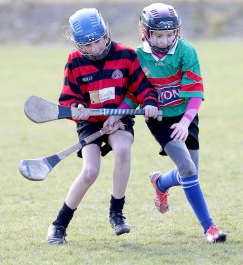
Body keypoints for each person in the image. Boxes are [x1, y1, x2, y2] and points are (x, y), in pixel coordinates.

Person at [46, 8, 159, 245]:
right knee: (90, 171)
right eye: (88, 45)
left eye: (98, 41)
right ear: (78, 44)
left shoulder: (126, 56)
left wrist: (149, 103)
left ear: (106, 34)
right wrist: (77, 107)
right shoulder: (74, 61)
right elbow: (67, 98)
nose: (95, 48)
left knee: (123, 150)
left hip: (119, 117)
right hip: (90, 122)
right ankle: (58, 226)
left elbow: (143, 88)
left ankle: (116, 213)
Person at [135, 3, 227, 243]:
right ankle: (210, 228)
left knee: (190, 171)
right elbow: (131, 92)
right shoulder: (139, 56)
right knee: (187, 169)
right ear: (146, 33)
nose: (165, 41)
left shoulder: (186, 51)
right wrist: (122, 112)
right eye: (159, 35)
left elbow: (196, 92)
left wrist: (186, 122)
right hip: (160, 120)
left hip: (186, 115)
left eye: (170, 34)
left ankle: (160, 183)